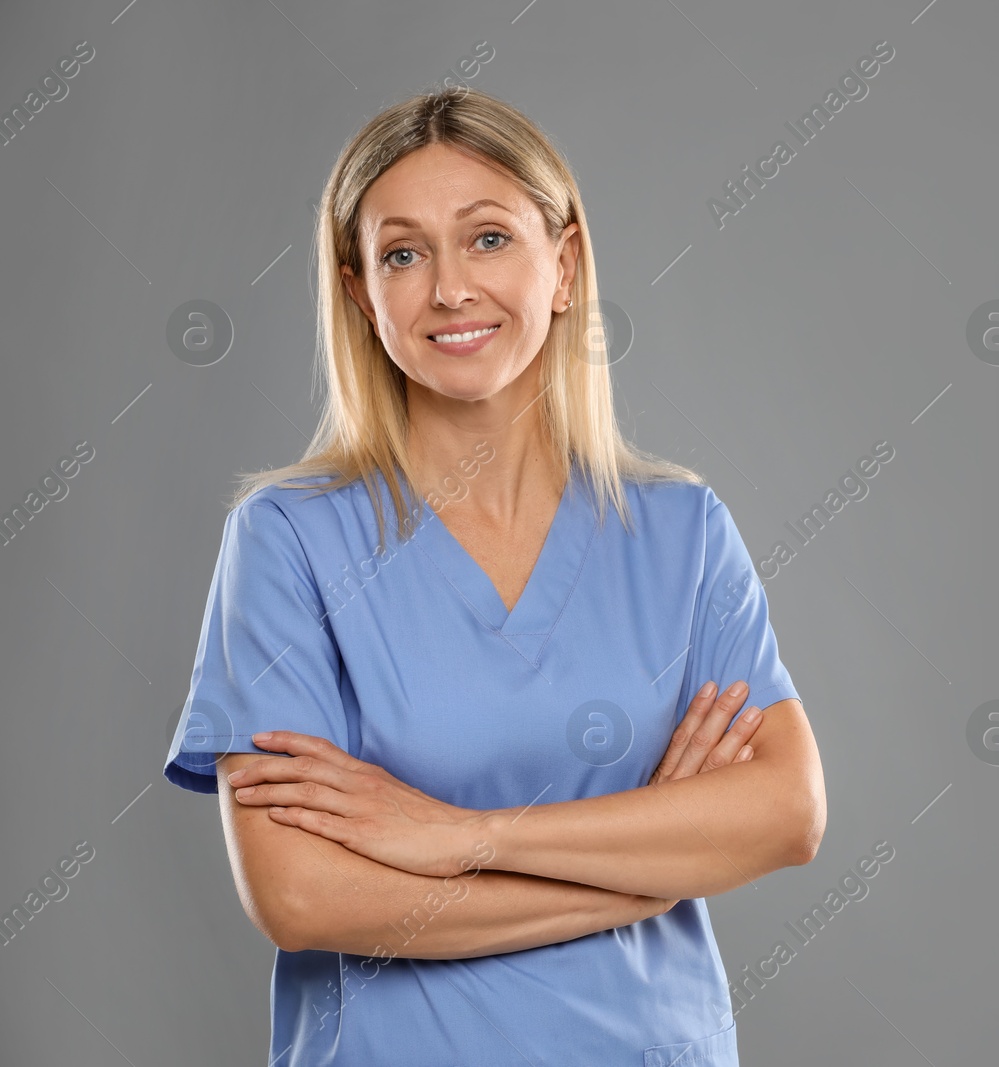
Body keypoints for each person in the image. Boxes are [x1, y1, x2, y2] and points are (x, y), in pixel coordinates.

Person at [161, 84, 826, 1066]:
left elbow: (785, 813)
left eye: (487, 239)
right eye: (401, 253)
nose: (449, 289)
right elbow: (301, 897)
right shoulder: (288, 541)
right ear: (359, 292)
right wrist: (646, 865)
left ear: (562, 266)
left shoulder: (680, 533)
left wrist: (457, 834)